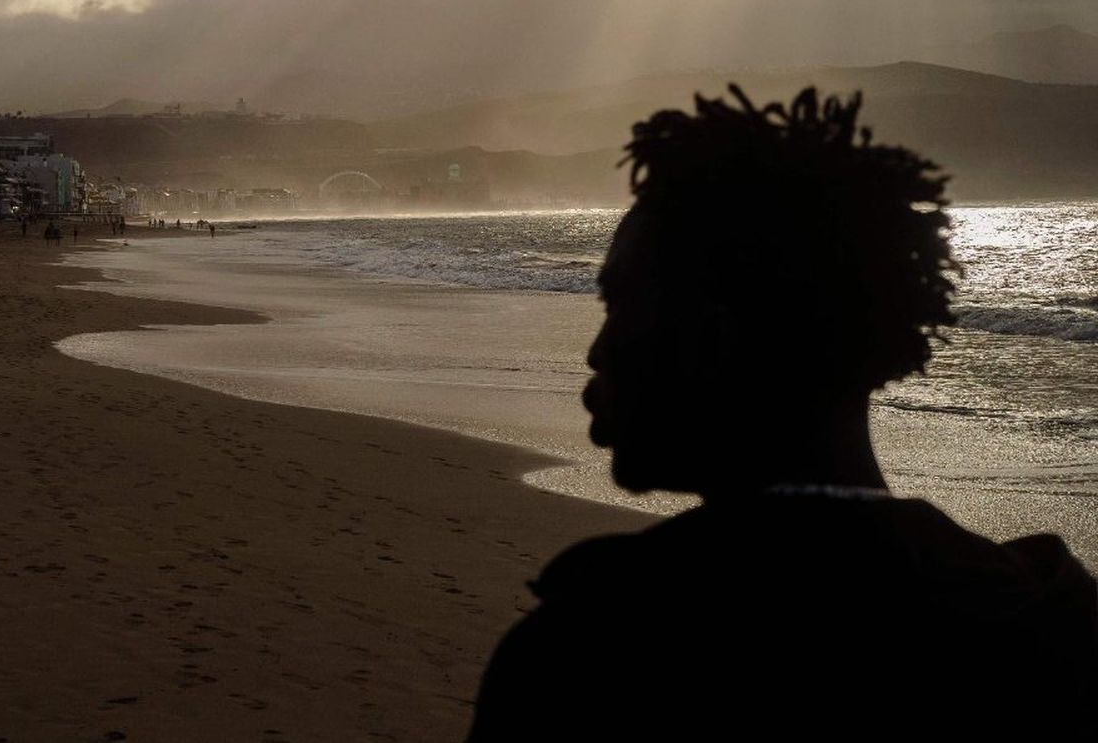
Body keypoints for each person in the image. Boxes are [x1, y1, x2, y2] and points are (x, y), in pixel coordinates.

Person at [466, 86, 1097, 736]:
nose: (598, 349)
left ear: (711, 337)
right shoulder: (1050, 618)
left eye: (620, 304)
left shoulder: (591, 653)